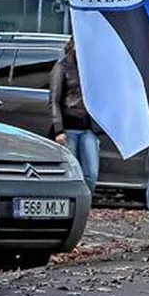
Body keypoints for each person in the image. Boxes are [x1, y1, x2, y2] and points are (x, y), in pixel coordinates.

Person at [50, 37, 100, 193]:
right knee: (71, 173)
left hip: (88, 128)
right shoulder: (62, 67)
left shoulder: (90, 68)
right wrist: (59, 129)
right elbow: (54, 100)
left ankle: (84, 205)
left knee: (91, 174)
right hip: (69, 126)